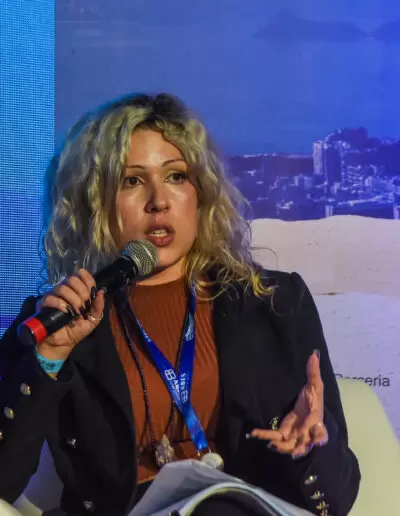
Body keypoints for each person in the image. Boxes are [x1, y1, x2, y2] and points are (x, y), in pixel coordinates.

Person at [0, 93, 360, 516]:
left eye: (176, 176)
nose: (159, 200)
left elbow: (338, 500)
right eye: (132, 181)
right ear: (94, 201)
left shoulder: (275, 304)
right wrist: (48, 358)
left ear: (200, 194)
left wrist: (311, 449)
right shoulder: (58, 318)